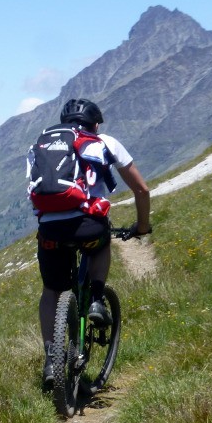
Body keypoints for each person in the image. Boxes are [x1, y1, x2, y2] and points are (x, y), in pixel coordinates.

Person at [30, 98, 151, 388]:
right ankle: (96, 298)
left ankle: (51, 359)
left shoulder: (43, 144)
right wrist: (142, 226)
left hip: (50, 229)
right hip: (88, 226)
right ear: (95, 124)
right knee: (101, 242)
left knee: (51, 291)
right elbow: (141, 188)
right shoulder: (104, 141)